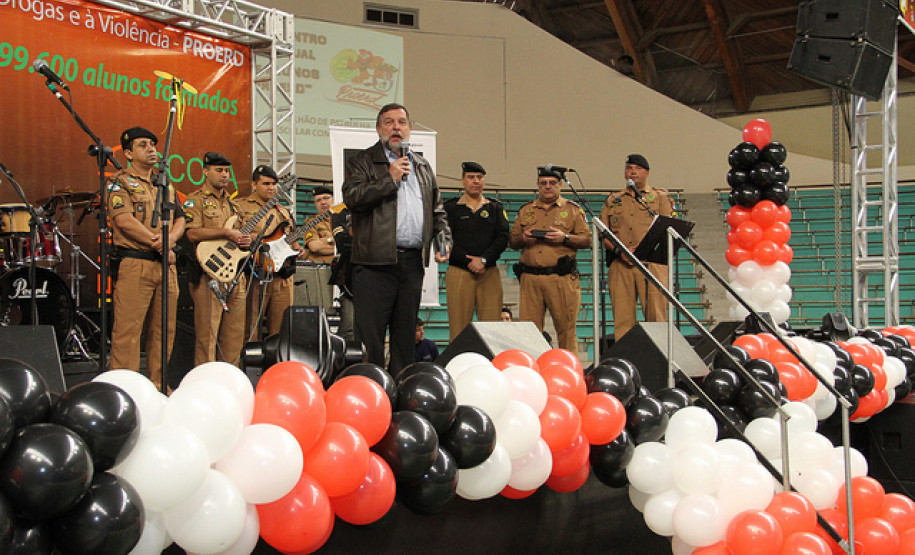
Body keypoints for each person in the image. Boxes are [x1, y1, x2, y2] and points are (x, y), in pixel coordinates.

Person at [342, 103, 451, 374]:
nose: (396, 128)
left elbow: (437, 210)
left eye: (401, 122)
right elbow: (353, 198)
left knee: (405, 338)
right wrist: (389, 179)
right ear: (378, 129)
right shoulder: (363, 161)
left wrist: (443, 239)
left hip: (411, 263)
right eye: (389, 122)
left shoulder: (422, 166)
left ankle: (403, 393)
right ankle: (372, 391)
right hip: (374, 264)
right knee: (371, 340)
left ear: (410, 129)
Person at [108, 126, 185, 387]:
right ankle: (124, 390)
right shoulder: (119, 182)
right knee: (128, 333)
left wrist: (170, 240)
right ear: (128, 153)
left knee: (164, 331)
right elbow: (124, 221)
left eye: (153, 144)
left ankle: (159, 387)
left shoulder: (164, 184)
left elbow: (180, 220)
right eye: (143, 145)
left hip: (166, 266)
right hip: (135, 263)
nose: (151, 149)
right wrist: (157, 242)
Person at [508, 166, 589, 353]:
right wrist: (524, 238)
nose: (547, 187)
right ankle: (532, 374)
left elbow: (586, 240)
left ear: (560, 185)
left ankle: (570, 373)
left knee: (566, 331)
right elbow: (513, 241)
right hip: (530, 278)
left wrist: (565, 238)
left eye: (552, 183)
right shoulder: (526, 210)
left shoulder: (572, 210)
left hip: (560, 278)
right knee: (529, 332)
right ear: (538, 185)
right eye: (543, 183)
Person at [183, 152, 251, 365]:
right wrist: (226, 233)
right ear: (205, 171)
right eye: (219, 170)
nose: (224, 175)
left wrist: (246, 240)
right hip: (209, 273)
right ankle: (204, 383)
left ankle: (229, 382)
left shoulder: (234, 206)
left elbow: (239, 235)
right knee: (208, 336)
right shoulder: (195, 200)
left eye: (227, 171)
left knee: (234, 337)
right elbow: (192, 233)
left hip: (235, 274)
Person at [600, 153, 676, 340]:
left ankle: (659, 360)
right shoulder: (613, 199)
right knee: (622, 319)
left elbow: (669, 228)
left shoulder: (660, 197)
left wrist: (643, 251)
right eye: (629, 168)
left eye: (638, 168)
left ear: (647, 173)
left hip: (651, 264)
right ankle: (624, 362)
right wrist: (621, 251)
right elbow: (603, 232)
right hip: (621, 263)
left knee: (656, 318)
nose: (632, 172)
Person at [443, 161, 509, 340]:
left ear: (484, 181)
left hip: (489, 273)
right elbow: (445, 238)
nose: (475, 181)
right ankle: (458, 366)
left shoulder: (495, 207)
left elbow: (503, 237)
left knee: (492, 331)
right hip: (459, 272)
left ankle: (490, 367)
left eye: (479, 177)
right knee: (458, 329)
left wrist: (484, 259)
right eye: (471, 177)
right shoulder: (450, 208)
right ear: (463, 180)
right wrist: (468, 261)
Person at [237, 164, 295, 340]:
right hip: (254, 274)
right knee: (250, 328)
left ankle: (277, 366)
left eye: (274, 184)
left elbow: (291, 238)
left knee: (282, 330)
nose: (271, 188)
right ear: (254, 184)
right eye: (266, 183)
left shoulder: (282, 210)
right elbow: (235, 235)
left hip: (282, 276)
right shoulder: (240, 206)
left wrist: (294, 248)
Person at [294, 185, 335, 310]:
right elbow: (314, 247)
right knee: (324, 309)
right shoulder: (312, 223)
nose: (323, 202)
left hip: (344, 271)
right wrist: (332, 240)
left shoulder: (346, 219)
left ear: (333, 199)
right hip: (322, 273)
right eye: (318, 200)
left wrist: (325, 243)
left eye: (326, 198)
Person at [328, 206, 355, 344]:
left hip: (377, 278)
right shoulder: (339, 213)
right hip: (350, 277)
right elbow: (343, 242)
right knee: (349, 329)